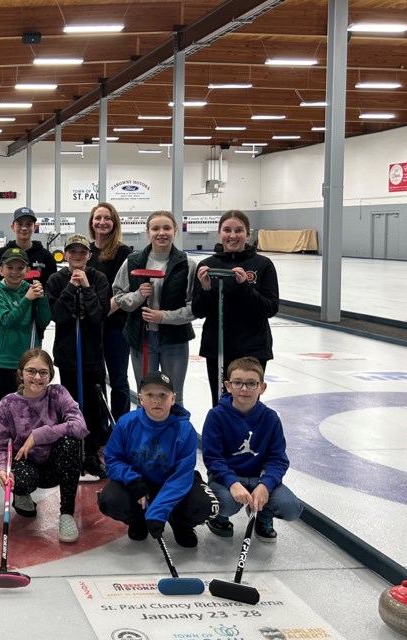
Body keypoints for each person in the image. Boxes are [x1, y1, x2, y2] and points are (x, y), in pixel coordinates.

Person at [98, 371, 217, 548]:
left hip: (171, 483)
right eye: (150, 394)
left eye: (163, 395)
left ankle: (180, 523)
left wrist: (158, 513)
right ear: (140, 399)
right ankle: (138, 520)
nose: (156, 400)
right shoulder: (126, 423)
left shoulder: (185, 430)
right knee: (110, 499)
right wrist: (133, 481)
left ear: (173, 398)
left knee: (207, 505)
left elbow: (182, 475)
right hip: (139, 484)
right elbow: (113, 460)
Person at [0, 349, 88, 543]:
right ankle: (22, 494)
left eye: (43, 372)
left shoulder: (58, 393)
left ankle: (67, 514)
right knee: (22, 479)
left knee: (71, 444)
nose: (37, 377)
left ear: (50, 375)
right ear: (21, 374)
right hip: (26, 464)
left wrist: (39, 435)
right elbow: (1, 446)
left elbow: (80, 427)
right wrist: (1, 470)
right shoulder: (8, 403)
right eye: (31, 371)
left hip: (55, 464)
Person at [202, 357, 301, 542]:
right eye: (237, 383)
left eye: (251, 383)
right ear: (228, 385)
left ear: (262, 387)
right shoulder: (216, 416)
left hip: (259, 478)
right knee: (225, 503)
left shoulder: (270, 418)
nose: (244, 389)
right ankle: (221, 517)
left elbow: (278, 460)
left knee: (291, 508)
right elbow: (213, 459)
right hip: (227, 479)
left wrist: (265, 485)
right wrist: (232, 483)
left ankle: (263, 513)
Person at [192, 210, 279, 406]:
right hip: (218, 348)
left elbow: (270, 308)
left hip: (253, 347)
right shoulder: (207, 265)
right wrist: (206, 288)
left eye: (239, 230)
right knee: (221, 402)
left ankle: (249, 437)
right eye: (227, 230)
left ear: (248, 234)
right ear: (219, 232)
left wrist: (244, 288)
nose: (233, 235)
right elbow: (198, 312)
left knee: (248, 403)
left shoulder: (262, 264)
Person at [112, 211, 197, 406]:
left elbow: (194, 308)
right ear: (147, 232)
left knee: (174, 396)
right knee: (147, 395)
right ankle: (146, 435)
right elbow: (118, 296)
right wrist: (138, 296)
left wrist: (163, 317)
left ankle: (175, 435)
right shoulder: (132, 261)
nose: (161, 233)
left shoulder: (187, 264)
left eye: (167, 228)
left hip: (175, 340)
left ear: (175, 230)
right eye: (155, 228)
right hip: (141, 339)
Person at [46, 234, 111, 477]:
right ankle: (72, 450)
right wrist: (71, 288)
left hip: (92, 354)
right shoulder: (56, 279)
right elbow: (57, 315)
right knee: (69, 405)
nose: (77, 256)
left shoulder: (99, 278)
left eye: (82, 252)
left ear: (89, 255)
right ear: (65, 254)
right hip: (68, 355)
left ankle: (91, 452)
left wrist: (86, 287)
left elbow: (98, 315)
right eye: (72, 251)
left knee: (93, 408)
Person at [87, 202, 133, 421]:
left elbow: (124, 290)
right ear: (91, 222)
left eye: (107, 218)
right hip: (92, 326)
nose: (102, 222)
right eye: (98, 218)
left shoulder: (123, 252)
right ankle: (102, 427)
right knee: (96, 379)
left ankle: (122, 427)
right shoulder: (87, 251)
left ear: (114, 223)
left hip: (115, 324)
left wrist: (101, 311)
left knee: (118, 380)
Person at [0, 247, 51, 401]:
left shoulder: (30, 289)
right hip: (7, 360)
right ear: (1, 270)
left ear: (27, 270)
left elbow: (44, 321)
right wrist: (27, 299)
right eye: (10, 268)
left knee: (32, 404)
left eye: (20, 268)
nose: (15, 272)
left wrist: (42, 298)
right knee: (6, 405)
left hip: (30, 358)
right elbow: (9, 321)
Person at [0, 207, 57, 289]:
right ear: (13, 227)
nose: (24, 228)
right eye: (20, 224)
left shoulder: (46, 256)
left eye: (29, 224)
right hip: (7, 302)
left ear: (34, 227)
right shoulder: (0, 255)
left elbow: (52, 288)